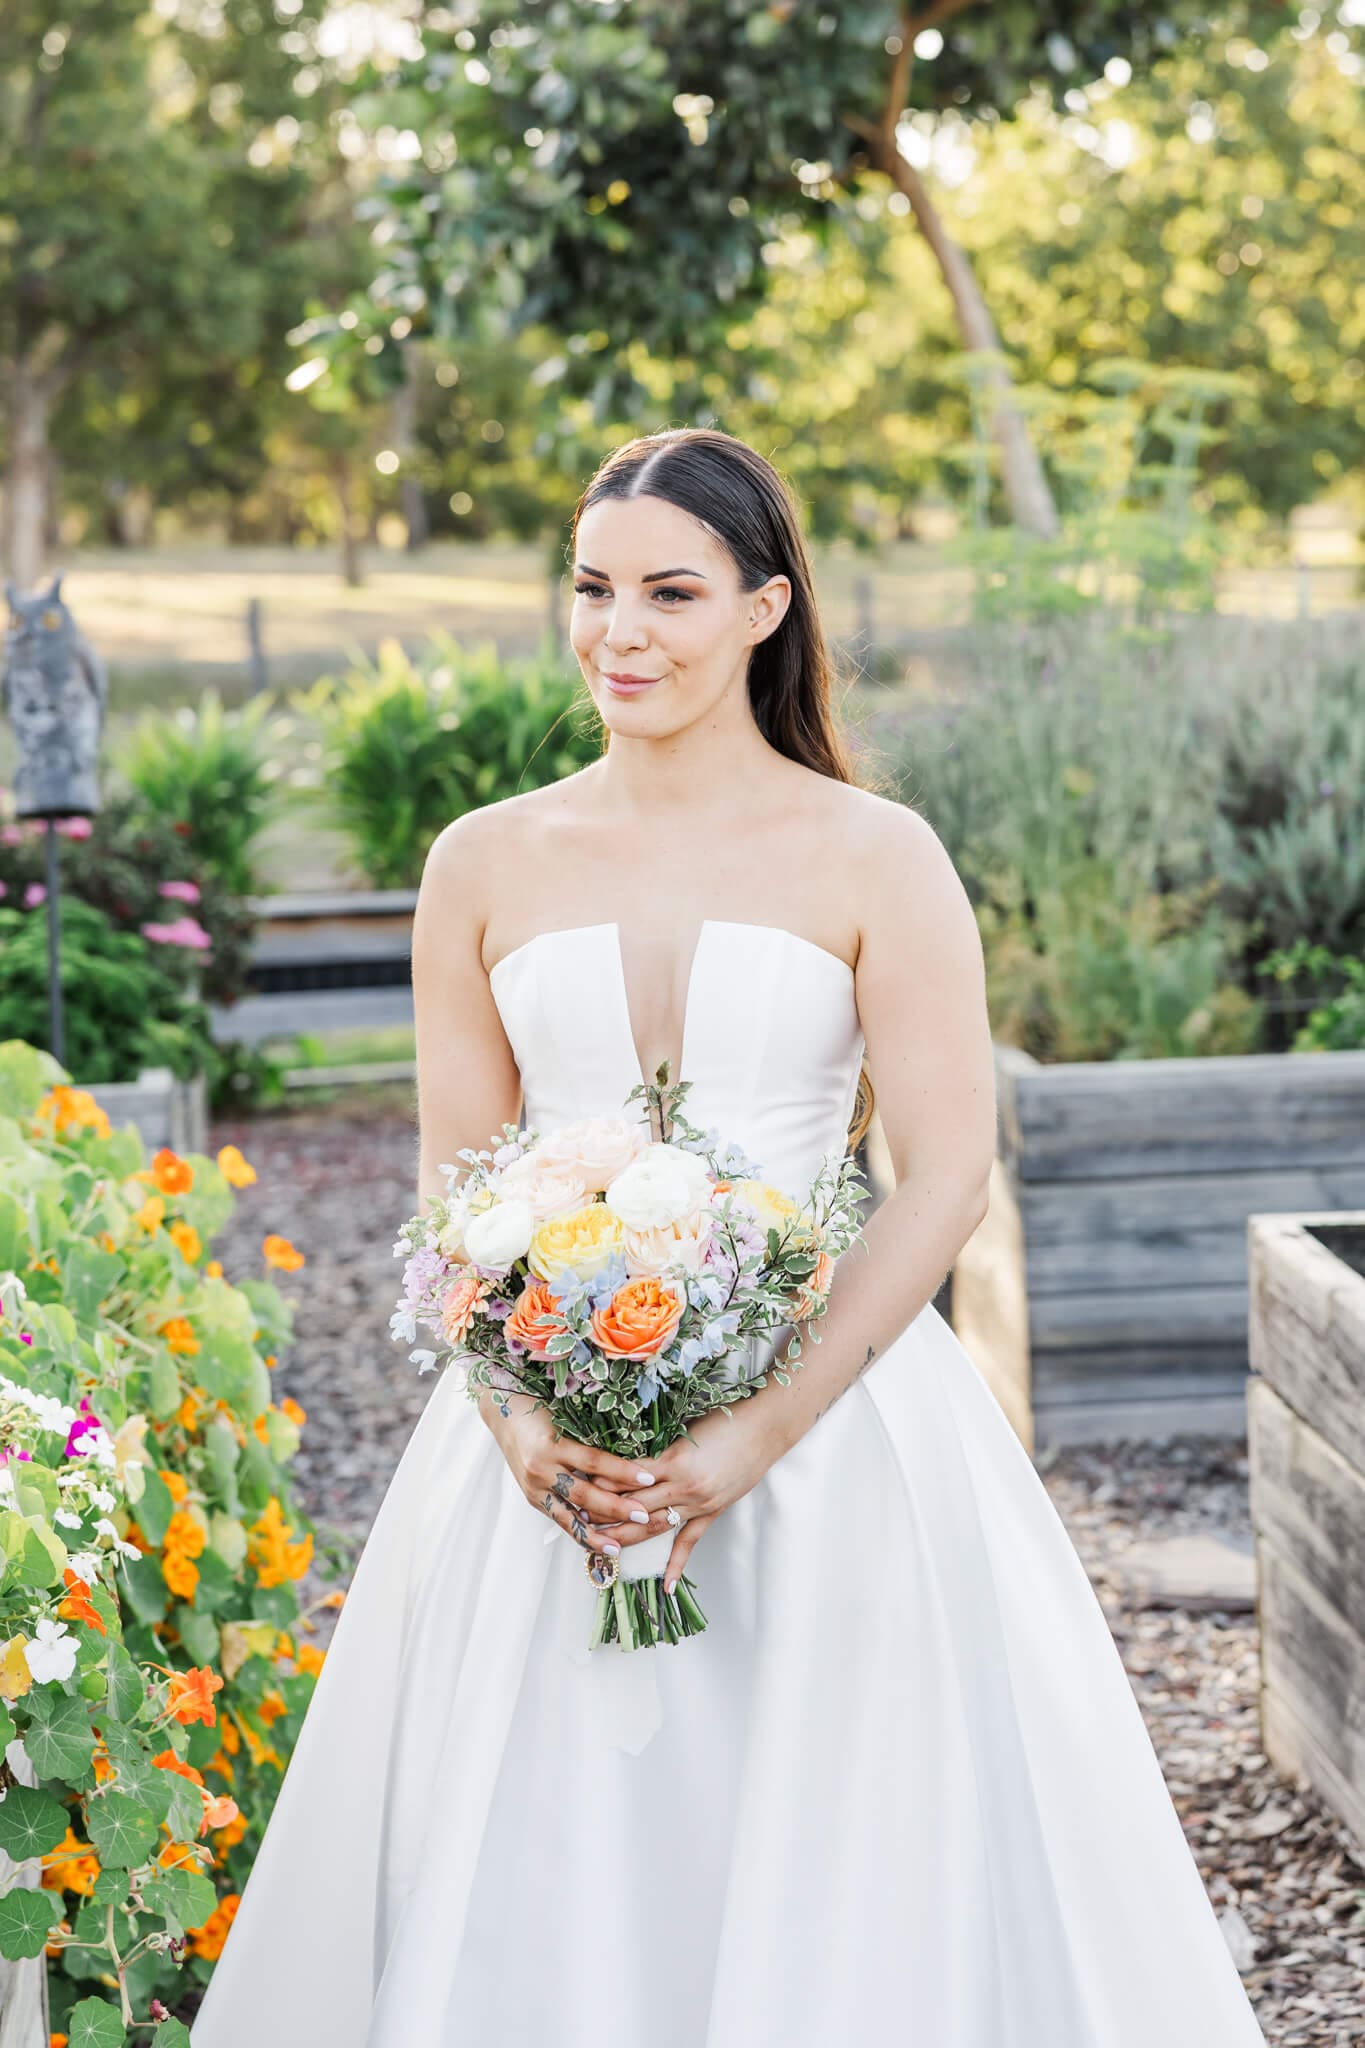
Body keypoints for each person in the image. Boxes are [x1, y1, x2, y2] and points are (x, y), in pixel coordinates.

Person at [189, 427, 1267, 2047]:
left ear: (766, 607)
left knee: (841, 1856)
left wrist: (760, 1430)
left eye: (669, 594)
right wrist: (522, 1421)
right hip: (547, 1457)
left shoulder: (875, 855)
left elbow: (943, 1178)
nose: (619, 633)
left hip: (835, 1441)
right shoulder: (481, 861)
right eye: (592, 588)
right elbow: (456, 1185)